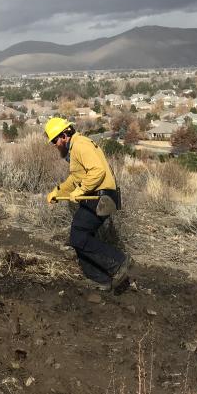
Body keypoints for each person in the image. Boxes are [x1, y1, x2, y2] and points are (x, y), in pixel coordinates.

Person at [44, 117, 131, 291]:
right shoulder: (75, 148)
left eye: (55, 140)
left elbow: (97, 171)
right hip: (97, 195)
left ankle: (118, 262)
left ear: (65, 135)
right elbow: (75, 178)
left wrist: (81, 190)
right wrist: (58, 191)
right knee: (78, 235)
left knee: (78, 236)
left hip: (101, 197)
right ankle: (101, 279)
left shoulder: (81, 145)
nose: (54, 144)